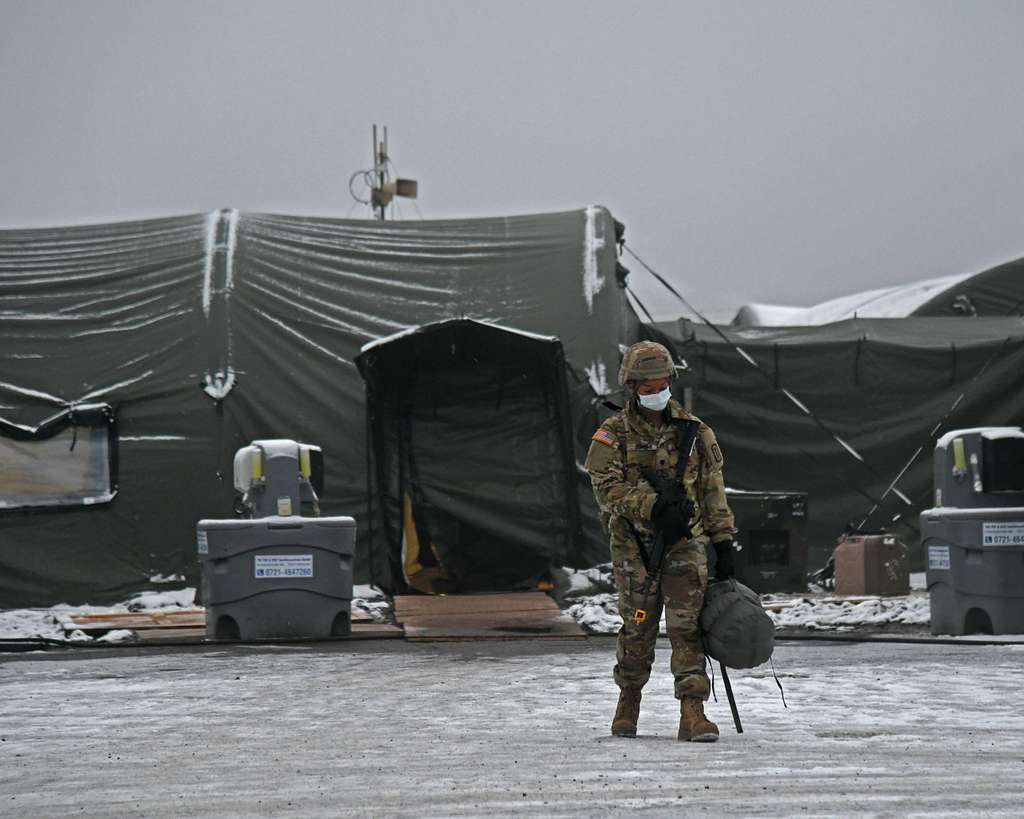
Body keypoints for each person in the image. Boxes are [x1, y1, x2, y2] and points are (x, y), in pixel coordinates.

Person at [584, 340, 737, 742]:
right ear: (631, 388)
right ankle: (629, 698)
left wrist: (724, 543)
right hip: (635, 550)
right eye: (647, 388)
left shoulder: (694, 432)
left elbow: (712, 491)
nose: (656, 394)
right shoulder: (612, 435)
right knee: (638, 626)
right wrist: (652, 508)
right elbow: (606, 487)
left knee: (687, 628)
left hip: (685, 545)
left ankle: (693, 711)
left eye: (661, 385)